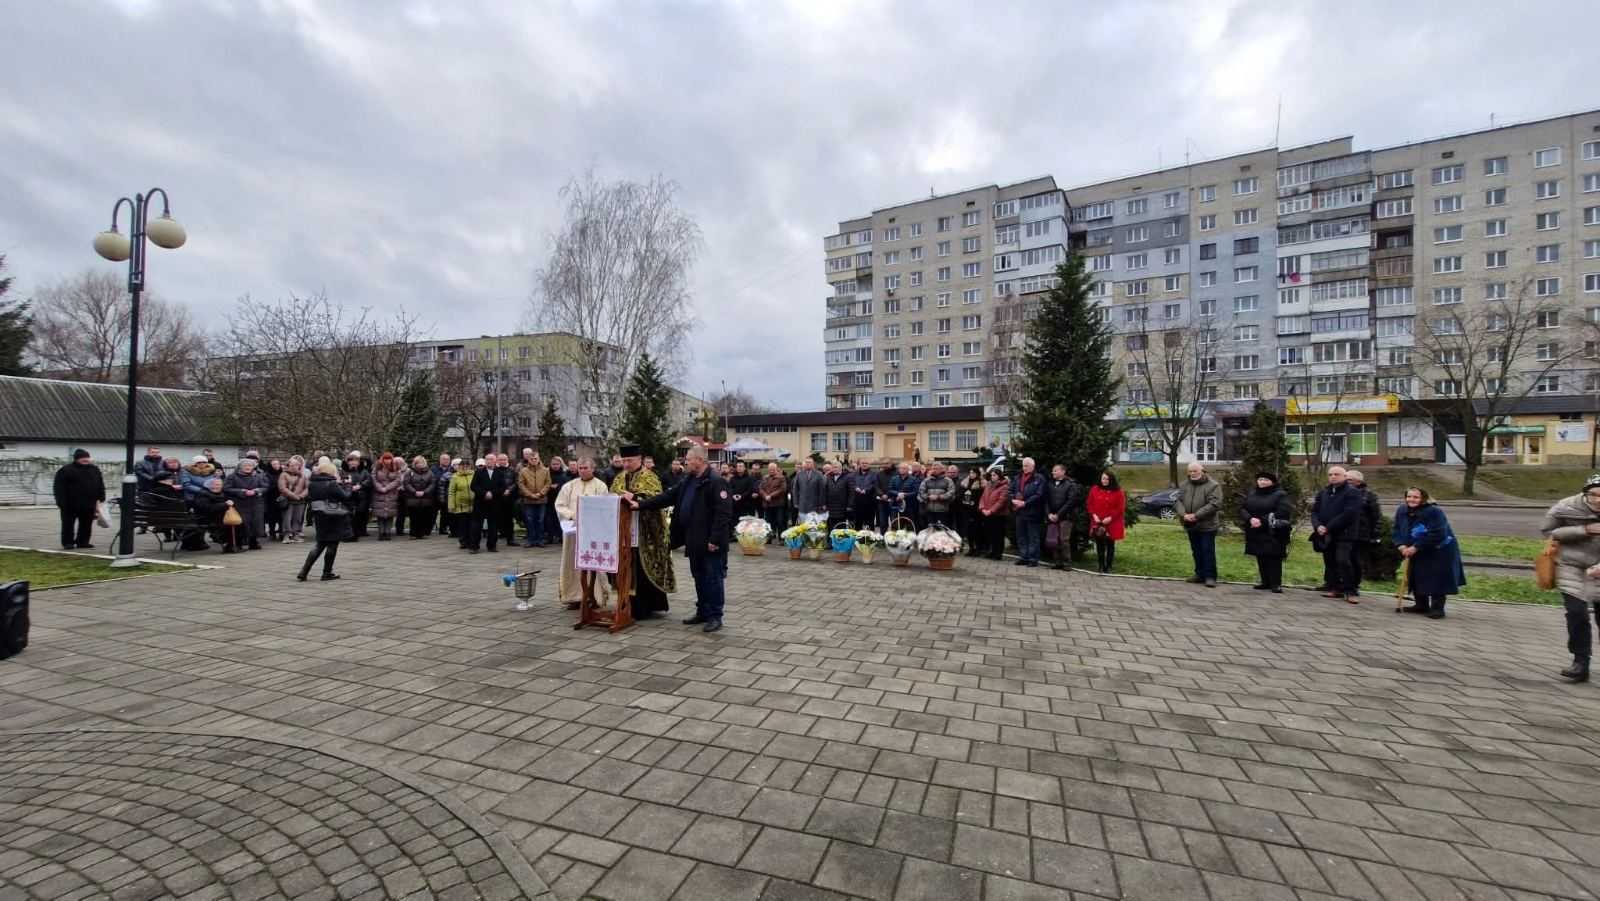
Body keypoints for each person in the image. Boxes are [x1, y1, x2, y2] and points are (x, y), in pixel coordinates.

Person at [628, 447, 732, 633]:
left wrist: (715, 539)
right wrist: (640, 504)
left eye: (688, 459)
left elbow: (723, 514)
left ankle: (715, 616)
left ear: (700, 460)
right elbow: (667, 497)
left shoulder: (716, 482)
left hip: (710, 542)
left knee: (713, 579)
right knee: (699, 577)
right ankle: (703, 611)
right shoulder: (689, 480)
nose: (686, 462)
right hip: (693, 539)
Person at [1542, 475, 1600, 682]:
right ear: (1586, 493)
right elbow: (1548, 532)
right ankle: (1580, 662)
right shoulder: (1566, 507)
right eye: (1594, 495)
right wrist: (1584, 530)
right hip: (1571, 565)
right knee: (1577, 614)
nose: (1598, 500)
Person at [612, 444, 675, 619]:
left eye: (629, 460)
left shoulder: (650, 477)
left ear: (639, 459)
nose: (625, 464)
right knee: (625, 566)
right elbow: (611, 495)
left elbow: (656, 498)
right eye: (623, 460)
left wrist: (637, 498)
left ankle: (645, 607)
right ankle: (626, 603)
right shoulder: (619, 478)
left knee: (641, 568)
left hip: (645, 531)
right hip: (624, 530)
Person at [1393, 488, 1464, 620]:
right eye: (1409, 496)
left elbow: (1438, 533)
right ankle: (1421, 605)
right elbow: (1397, 529)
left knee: (1436, 578)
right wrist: (1401, 545)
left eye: (1415, 497)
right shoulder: (1402, 510)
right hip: (1414, 548)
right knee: (1417, 575)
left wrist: (1416, 547)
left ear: (1423, 498)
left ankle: (1438, 609)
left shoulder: (1434, 511)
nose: (1411, 500)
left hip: (1439, 549)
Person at [555, 457, 612, 608]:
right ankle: (574, 596)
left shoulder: (600, 486)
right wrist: (572, 515)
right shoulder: (569, 486)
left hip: (593, 532)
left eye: (586, 467)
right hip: (573, 532)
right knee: (572, 563)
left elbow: (605, 507)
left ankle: (593, 596)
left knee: (593, 564)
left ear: (593, 468)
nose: (583, 470)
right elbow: (560, 505)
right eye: (580, 468)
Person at [1310, 466, 1364, 603]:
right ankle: (1334, 587)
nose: (1333, 476)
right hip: (1325, 534)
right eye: (1330, 474)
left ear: (1345, 476)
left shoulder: (1353, 493)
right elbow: (1314, 511)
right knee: (1330, 562)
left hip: (1344, 534)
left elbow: (1349, 513)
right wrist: (1318, 526)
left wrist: (1328, 527)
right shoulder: (1324, 492)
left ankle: (1350, 590)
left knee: (1343, 560)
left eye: (1336, 474)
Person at [299, 458, 352, 581]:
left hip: (319, 516)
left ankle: (304, 571)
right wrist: (348, 485)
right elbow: (345, 496)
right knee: (332, 544)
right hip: (333, 516)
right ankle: (327, 572)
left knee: (320, 544)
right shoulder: (332, 484)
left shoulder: (312, 483)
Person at [1241, 472, 1292, 593]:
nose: (1262, 482)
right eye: (1260, 479)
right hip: (1255, 529)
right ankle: (1265, 582)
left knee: (1273, 557)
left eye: (1265, 480)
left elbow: (1282, 511)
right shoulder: (1252, 493)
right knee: (1260, 555)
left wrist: (1261, 521)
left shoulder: (1280, 495)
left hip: (1273, 531)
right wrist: (1250, 519)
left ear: (1272, 482)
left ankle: (1276, 583)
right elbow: (1243, 508)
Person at [1174, 462, 1222, 587]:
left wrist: (1196, 515)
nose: (1192, 474)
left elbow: (1214, 504)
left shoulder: (1213, 485)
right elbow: (1178, 500)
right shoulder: (1184, 485)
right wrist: (1184, 514)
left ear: (1202, 471)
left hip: (1207, 525)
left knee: (1207, 550)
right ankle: (1199, 574)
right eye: (1190, 471)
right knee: (1196, 550)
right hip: (1190, 524)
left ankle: (1210, 576)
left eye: (1195, 471)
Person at [52, 448, 105, 550]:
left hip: (89, 503)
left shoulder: (94, 469)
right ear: (76, 459)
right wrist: (61, 502)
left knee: (86, 524)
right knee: (68, 524)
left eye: (87, 457)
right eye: (83, 458)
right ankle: (68, 543)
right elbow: (58, 488)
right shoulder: (66, 470)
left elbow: (100, 484)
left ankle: (83, 542)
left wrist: (101, 497)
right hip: (70, 504)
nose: (85, 460)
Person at [1346, 470, 1381, 597]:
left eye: (1349, 479)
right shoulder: (1343, 493)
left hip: (1361, 534)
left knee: (1356, 560)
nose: (1346, 481)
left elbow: (1376, 516)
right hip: (1344, 532)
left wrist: (1375, 534)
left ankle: (1354, 585)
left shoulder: (1369, 495)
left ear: (1358, 481)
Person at [223, 457, 268, 551]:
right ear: (240, 467)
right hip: (240, 504)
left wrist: (256, 491)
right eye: (245, 465)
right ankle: (238, 543)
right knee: (242, 523)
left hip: (255, 503)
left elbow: (265, 487)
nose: (248, 467)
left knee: (255, 523)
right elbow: (227, 489)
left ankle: (253, 542)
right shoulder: (232, 476)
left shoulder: (258, 476)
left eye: (250, 465)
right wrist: (242, 491)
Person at [1086, 470, 1126, 574]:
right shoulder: (1095, 489)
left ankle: (1108, 566)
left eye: (1107, 479)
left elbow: (1120, 508)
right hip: (1098, 521)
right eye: (1103, 478)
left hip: (1112, 522)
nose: (1104, 481)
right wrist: (1094, 515)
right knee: (1099, 544)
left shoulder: (1118, 492)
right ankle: (1100, 565)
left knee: (1110, 544)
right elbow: (1089, 504)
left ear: (1111, 480)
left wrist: (1110, 518)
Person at [1044, 464, 1082, 571]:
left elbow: (1070, 502)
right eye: (1053, 471)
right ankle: (1057, 562)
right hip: (1052, 516)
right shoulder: (1050, 484)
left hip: (1066, 517)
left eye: (1055, 471)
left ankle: (1067, 562)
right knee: (1054, 539)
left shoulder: (1071, 484)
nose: (1053, 473)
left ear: (1063, 472)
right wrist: (1049, 514)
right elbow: (1046, 500)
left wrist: (1058, 514)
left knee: (1063, 539)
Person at [1010, 458, 1046, 567]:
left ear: (1033, 466)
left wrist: (1025, 502)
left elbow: (1039, 495)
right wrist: (1012, 499)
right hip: (1019, 511)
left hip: (1032, 512)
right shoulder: (1017, 478)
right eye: (1023, 465)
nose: (1024, 468)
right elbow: (1010, 490)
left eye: (1026, 466)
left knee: (1033, 536)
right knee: (1021, 535)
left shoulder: (1039, 478)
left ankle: (1033, 558)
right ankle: (1023, 557)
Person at [517, 450, 551, 548]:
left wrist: (541, 493)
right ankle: (530, 540)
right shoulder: (523, 471)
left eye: (535, 458)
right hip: (528, 500)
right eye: (532, 459)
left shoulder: (545, 470)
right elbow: (521, 484)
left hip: (542, 499)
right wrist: (530, 494)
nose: (534, 460)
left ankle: (540, 540)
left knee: (540, 520)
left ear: (539, 458)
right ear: (529, 460)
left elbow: (548, 483)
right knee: (529, 520)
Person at [191, 477, 233, 551]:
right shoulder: (203, 494)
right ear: (208, 485)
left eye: (220, 485)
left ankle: (231, 543)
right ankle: (229, 545)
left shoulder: (221, 493)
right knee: (230, 522)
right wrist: (225, 505)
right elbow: (208, 508)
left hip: (212, 518)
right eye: (215, 484)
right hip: (205, 519)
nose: (218, 486)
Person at [978, 469, 1011, 560]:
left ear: (999, 476)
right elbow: (983, 497)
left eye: (995, 475)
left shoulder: (1004, 486)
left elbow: (1001, 501)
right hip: (987, 513)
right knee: (989, 534)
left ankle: (998, 553)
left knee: (998, 535)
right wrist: (982, 508)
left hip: (998, 515)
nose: (992, 477)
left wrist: (991, 511)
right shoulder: (988, 485)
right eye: (992, 475)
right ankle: (991, 551)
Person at [370, 452, 404, 541]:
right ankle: (381, 533)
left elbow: (398, 479)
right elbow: (373, 478)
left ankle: (388, 533)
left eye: (389, 459)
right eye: (386, 458)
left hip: (391, 494)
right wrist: (380, 487)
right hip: (379, 493)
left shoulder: (395, 467)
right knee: (380, 515)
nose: (387, 460)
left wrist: (387, 487)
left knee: (390, 515)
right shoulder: (377, 467)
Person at [465, 458, 495, 553]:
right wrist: (485, 493)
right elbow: (473, 486)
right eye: (487, 460)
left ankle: (492, 546)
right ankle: (474, 546)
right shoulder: (479, 472)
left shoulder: (498, 473)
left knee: (493, 525)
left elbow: (501, 486)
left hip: (494, 502)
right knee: (476, 525)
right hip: (480, 502)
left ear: (494, 461)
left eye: (491, 460)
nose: (489, 462)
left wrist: (492, 493)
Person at [403, 455, 436, 539]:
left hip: (426, 498)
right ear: (415, 463)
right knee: (414, 517)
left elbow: (432, 483)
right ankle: (413, 533)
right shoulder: (409, 472)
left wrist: (425, 492)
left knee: (424, 516)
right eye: (418, 463)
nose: (420, 464)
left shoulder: (430, 472)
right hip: (412, 498)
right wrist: (414, 491)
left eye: (421, 462)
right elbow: (406, 483)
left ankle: (422, 533)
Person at [278, 455, 310, 543]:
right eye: (292, 465)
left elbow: (307, 487)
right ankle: (286, 535)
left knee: (298, 518)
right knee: (287, 518)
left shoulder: (303, 476)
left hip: (300, 500)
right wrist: (294, 496)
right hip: (288, 500)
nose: (295, 467)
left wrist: (301, 496)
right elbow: (282, 488)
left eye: (297, 465)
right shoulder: (283, 474)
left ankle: (296, 534)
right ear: (288, 466)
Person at [342, 452, 373, 540]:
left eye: (355, 461)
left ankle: (358, 532)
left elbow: (369, 480)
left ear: (359, 462)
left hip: (361, 496)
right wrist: (349, 486)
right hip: (349, 496)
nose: (353, 463)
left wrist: (361, 485)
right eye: (351, 461)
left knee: (359, 514)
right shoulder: (344, 471)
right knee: (349, 515)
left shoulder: (364, 471)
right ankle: (350, 533)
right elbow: (341, 481)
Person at [758, 462, 788, 543]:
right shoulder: (765, 477)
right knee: (768, 522)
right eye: (770, 469)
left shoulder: (781, 478)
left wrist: (771, 496)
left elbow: (783, 489)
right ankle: (769, 538)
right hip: (767, 504)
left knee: (780, 521)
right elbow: (760, 488)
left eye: (773, 469)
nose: (771, 471)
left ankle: (781, 539)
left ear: (776, 469)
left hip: (778, 504)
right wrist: (765, 496)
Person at [918, 462, 954, 529]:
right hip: (929, 510)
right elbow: (921, 491)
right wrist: (928, 497)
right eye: (933, 468)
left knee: (941, 530)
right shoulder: (926, 480)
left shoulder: (948, 480)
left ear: (941, 469)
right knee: (930, 530)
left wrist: (939, 497)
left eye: (937, 468)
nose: (934, 470)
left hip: (942, 510)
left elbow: (951, 493)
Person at [492, 453, 518, 545]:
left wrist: (509, 490)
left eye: (504, 459)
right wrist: (500, 491)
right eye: (500, 459)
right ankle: (494, 539)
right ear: (497, 461)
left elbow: (516, 482)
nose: (502, 461)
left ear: (507, 460)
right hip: (497, 498)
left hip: (509, 498)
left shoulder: (512, 470)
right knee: (496, 519)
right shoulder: (494, 470)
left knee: (509, 520)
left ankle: (510, 539)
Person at [956, 466, 983, 554]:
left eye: (974, 473)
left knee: (977, 530)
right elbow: (960, 495)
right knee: (968, 530)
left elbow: (981, 497)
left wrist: (974, 503)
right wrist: (963, 501)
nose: (971, 475)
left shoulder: (981, 484)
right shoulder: (965, 483)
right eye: (970, 473)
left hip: (976, 511)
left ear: (978, 474)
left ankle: (978, 548)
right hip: (966, 509)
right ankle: (971, 548)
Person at [448, 459, 474, 545]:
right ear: (460, 466)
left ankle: (471, 540)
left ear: (470, 466)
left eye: (467, 465)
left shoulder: (474, 475)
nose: (465, 467)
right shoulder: (455, 476)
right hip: (460, 505)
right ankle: (463, 541)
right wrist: (451, 505)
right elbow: (451, 492)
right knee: (463, 524)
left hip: (473, 505)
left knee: (472, 524)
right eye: (463, 466)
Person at [791, 458, 825, 523]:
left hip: (815, 506)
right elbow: (795, 489)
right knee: (803, 526)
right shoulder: (799, 474)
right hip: (802, 506)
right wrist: (796, 502)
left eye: (809, 462)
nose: (808, 464)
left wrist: (821, 503)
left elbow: (822, 490)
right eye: (806, 462)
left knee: (813, 526)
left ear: (813, 464)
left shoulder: (819, 474)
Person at [431, 452, 454, 536]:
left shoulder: (452, 469)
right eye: (444, 459)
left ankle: (443, 529)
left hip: (446, 495)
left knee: (445, 514)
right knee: (433, 513)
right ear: (440, 460)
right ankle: (429, 528)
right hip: (435, 494)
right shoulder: (434, 468)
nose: (446, 461)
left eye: (447, 459)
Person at [823, 462, 851, 530]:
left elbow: (851, 492)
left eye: (836, 467)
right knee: (831, 527)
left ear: (841, 468)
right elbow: (824, 492)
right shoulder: (828, 477)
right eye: (833, 467)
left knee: (841, 527)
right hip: (831, 507)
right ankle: (831, 540)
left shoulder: (847, 477)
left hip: (842, 507)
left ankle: (840, 540)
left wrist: (849, 505)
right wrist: (824, 503)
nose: (834, 469)